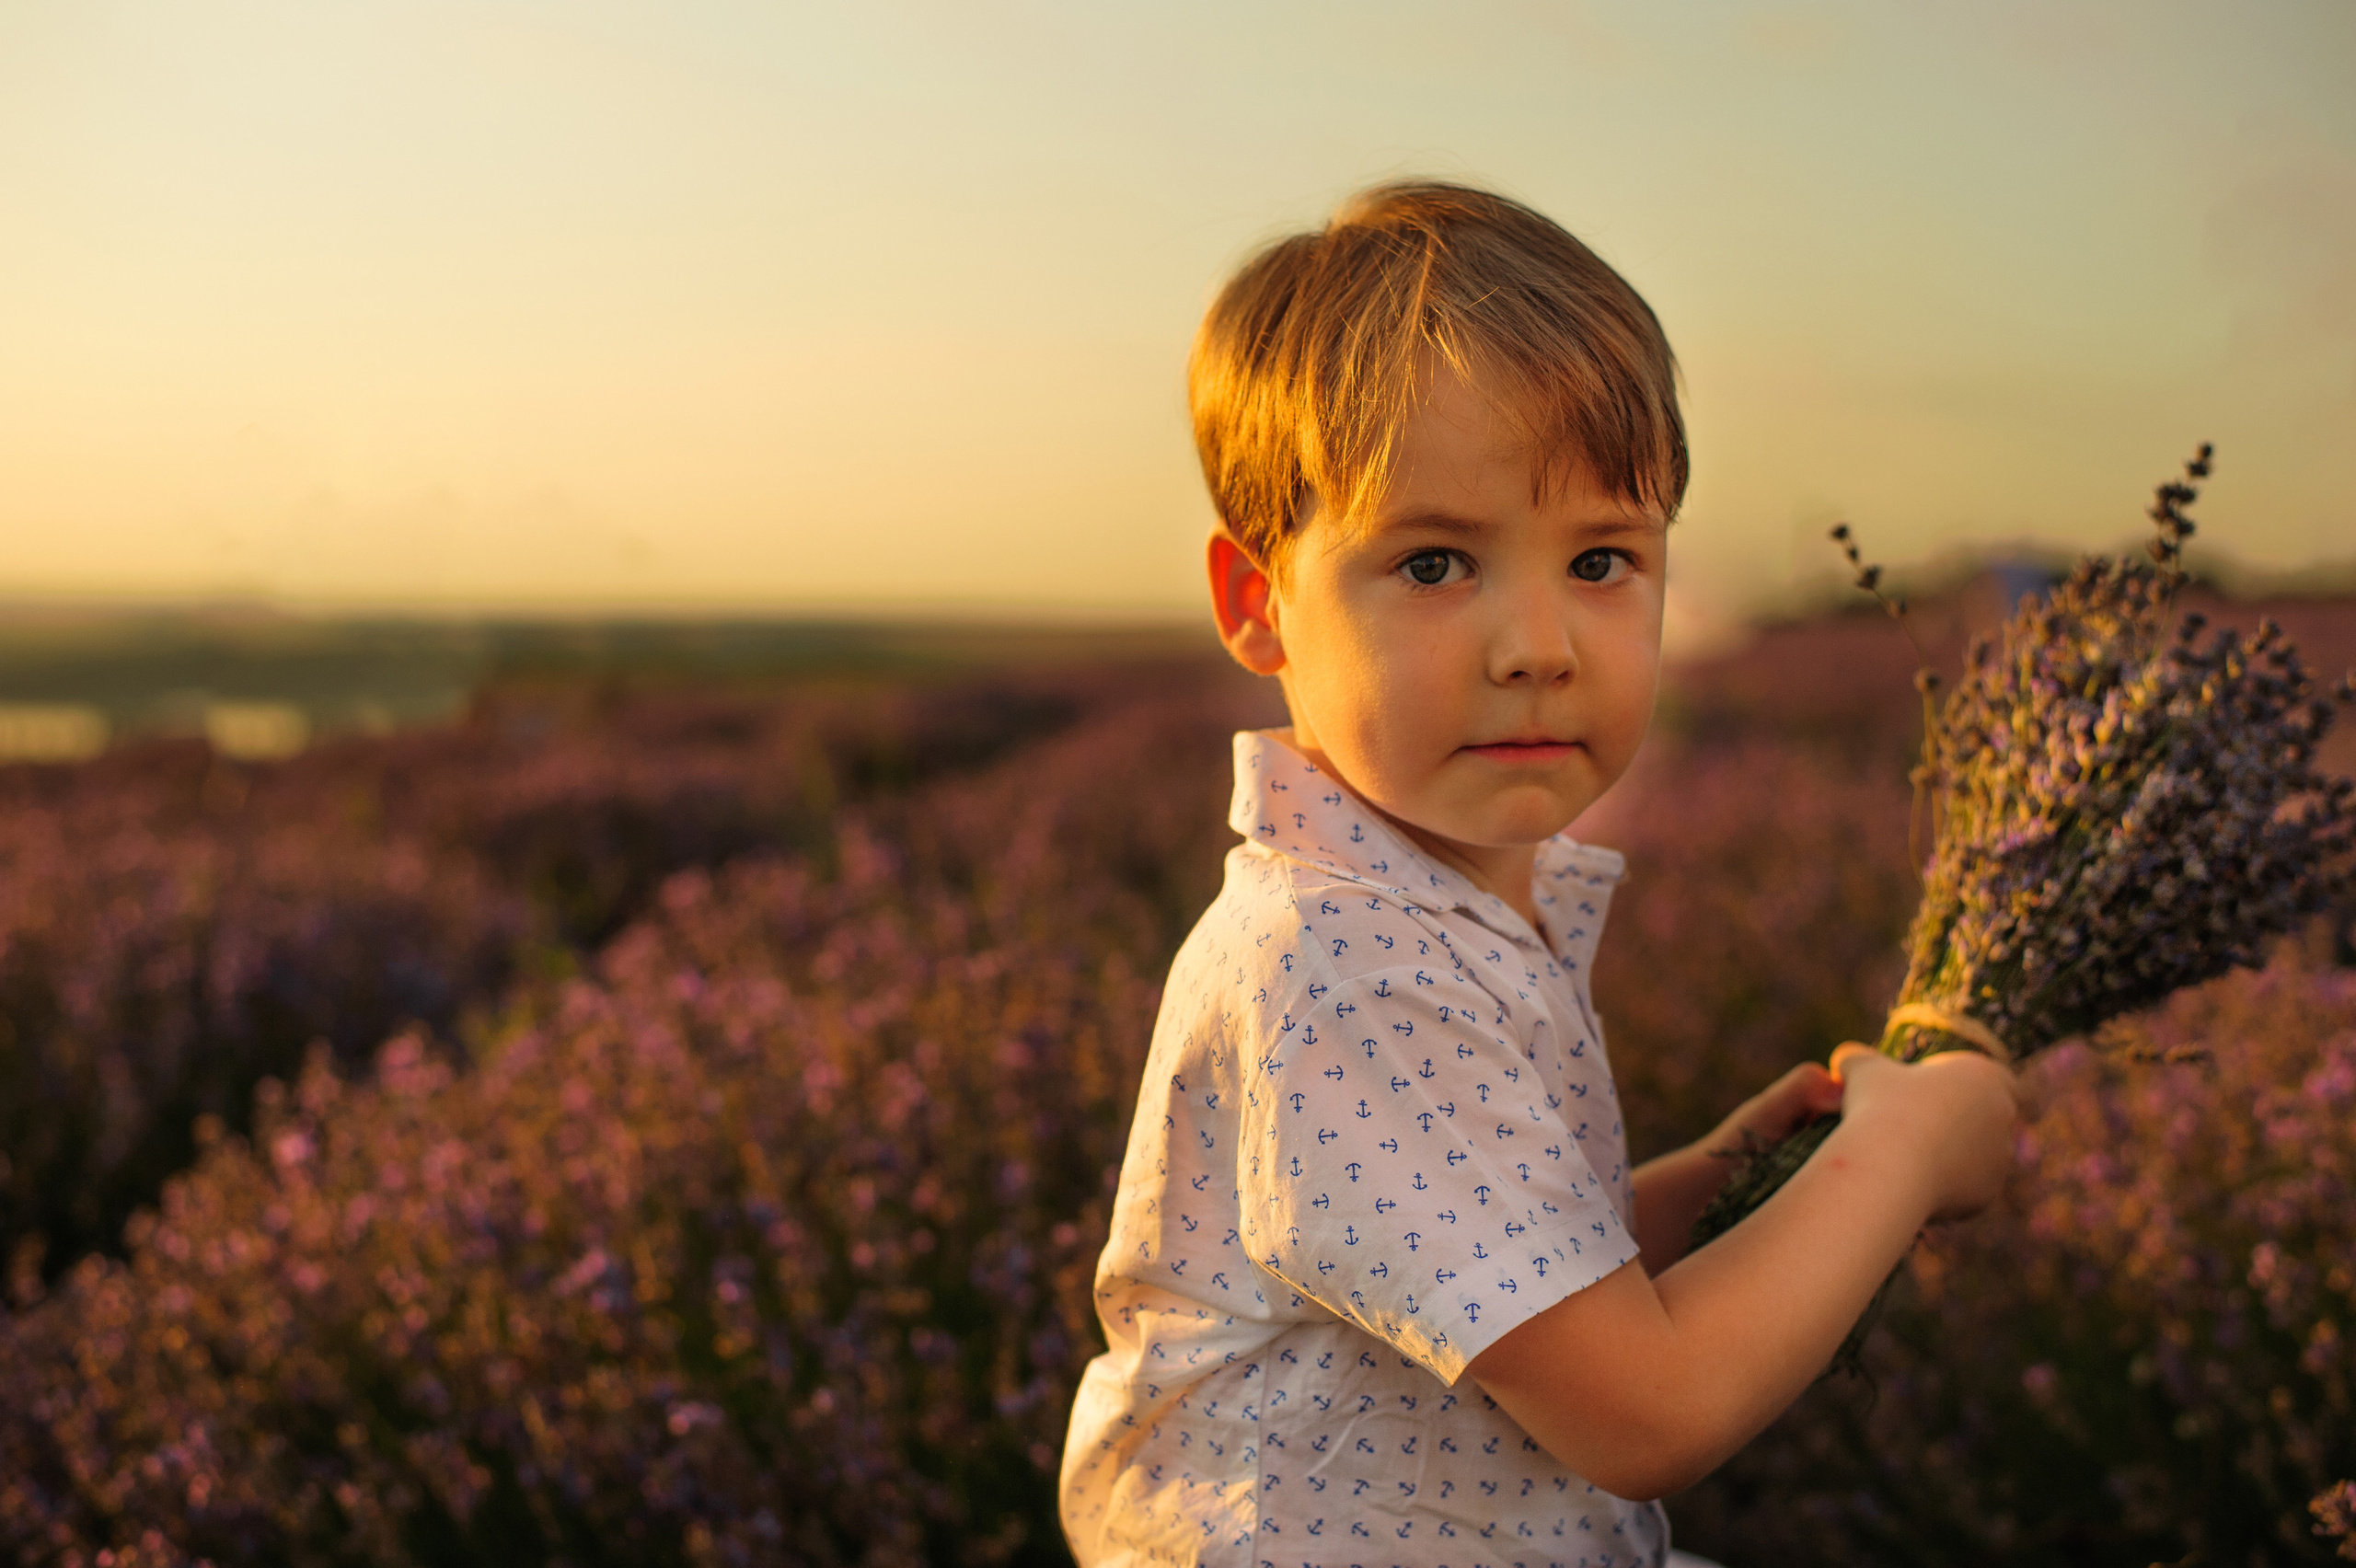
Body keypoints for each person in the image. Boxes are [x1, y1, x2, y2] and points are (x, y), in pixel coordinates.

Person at [1057, 179, 2019, 1568]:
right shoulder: (1345, 964)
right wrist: (1907, 1149)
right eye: (1436, 562)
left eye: (1601, 559)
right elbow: (1648, 1410)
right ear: (1257, 602)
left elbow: (1500, 1271)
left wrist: (1731, 1175)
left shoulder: (1428, 911)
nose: (1538, 643)